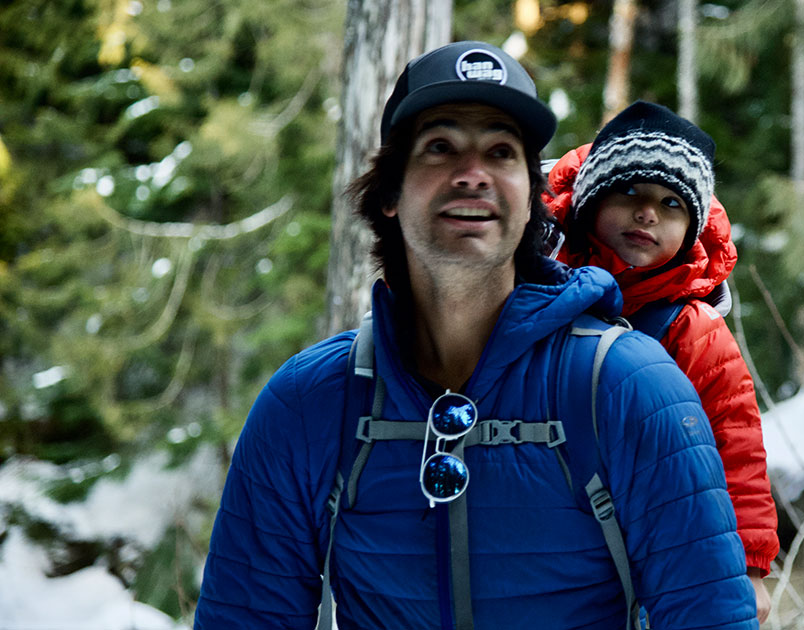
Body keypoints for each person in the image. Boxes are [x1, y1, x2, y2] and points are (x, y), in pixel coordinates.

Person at [193, 41, 757, 629]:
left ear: (532, 198)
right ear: (389, 192)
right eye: (440, 147)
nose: (472, 175)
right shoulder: (309, 404)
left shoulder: (627, 386)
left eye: (501, 152)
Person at [545, 101, 780, 623]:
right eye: (629, 192)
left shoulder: (692, 330)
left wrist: (748, 568)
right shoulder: (536, 290)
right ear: (588, 201)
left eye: (672, 204)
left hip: (658, 528)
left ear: (691, 228)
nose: (648, 212)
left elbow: (735, 444)